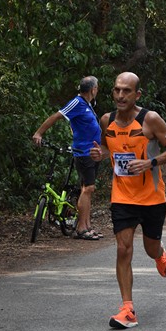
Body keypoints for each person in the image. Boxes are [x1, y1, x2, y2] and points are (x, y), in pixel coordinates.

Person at [90, 71, 166, 329]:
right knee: (123, 248)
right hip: (122, 196)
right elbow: (107, 147)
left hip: (152, 198)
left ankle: (160, 254)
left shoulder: (150, 119)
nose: (120, 95)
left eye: (126, 91)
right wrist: (100, 153)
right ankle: (127, 309)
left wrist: (149, 162)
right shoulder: (106, 120)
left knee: (150, 248)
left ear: (137, 94)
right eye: (117, 90)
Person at [32, 76, 103, 240]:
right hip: (84, 153)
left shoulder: (87, 105)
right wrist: (39, 133)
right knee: (88, 189)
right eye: (97, 88)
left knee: (87, 189)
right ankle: (81, 229)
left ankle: (87, 226)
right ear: (92, 89)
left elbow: (77, 124)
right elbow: (57, 116)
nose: (97, 90)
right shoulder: (77, 102)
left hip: (92, 152)